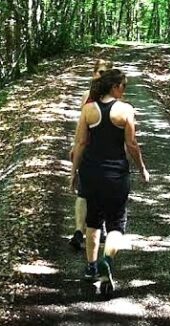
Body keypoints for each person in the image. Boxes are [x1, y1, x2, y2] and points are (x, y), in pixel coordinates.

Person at [70, 68, 150, 296]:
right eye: (124, 86)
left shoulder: (88, 110)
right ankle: (107, 260)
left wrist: (73, 173)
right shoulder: (125, 111)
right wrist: (142, 169)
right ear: (114, 87)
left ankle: (91, 267)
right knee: (115, 224)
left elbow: (80, 144)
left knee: (93, 222)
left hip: (91, 174)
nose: (125, 90)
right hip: (116, 175)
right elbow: (132, 145)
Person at [68, 59, 113, 251]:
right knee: (83, 192)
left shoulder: (116, 98)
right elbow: (80, 127)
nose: (101, 76)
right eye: (99, 72)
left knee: (102, 191)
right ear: (94, 74)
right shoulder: (86, 96)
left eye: (105, 73)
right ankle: (79, 230)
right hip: (87, 150)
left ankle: (98, 226)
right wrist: (75, 146)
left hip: (106, 152)